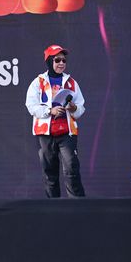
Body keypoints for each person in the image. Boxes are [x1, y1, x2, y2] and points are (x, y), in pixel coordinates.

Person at [25, 45, 86, 198]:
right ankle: (53, 207)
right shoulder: (38, 82)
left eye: (64, 60)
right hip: (45, 133)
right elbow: (31, 106)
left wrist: (73, 108)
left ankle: (78, 206)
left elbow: (81, 108)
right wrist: (49, 111)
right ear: (49, 61)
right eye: (57, 60)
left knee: (71, 169)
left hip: (67, 132)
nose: (61, 63)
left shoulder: (71, 82)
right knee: (49, 173)